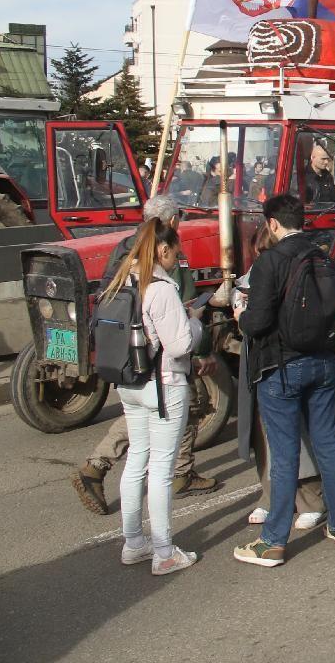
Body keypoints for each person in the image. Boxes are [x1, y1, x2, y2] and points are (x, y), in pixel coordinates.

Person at [71, 196, 220, 515]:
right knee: (182, 405)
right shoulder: (164, 256)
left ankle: (108, 472)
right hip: (159, 356)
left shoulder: (125, 247)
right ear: (172, 223)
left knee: (145, 415)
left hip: (125, 350)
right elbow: (186, 307)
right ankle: (173, 476)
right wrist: (203, 346)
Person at [234, 195, 335, 567]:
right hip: (322, 363)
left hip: (281, 368)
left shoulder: (269, 262)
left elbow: (256, 323)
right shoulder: (325, 258)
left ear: (272, 224)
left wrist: (240, 314)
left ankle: (272, 542)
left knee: (284, 455)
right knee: (330, 447)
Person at [107, 218, 204, 575]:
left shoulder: (123, 280)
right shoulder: (160, 288)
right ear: (162, 250)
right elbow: (180, 345)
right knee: (161, 470)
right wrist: (194, 321)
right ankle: (164, 552)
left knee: (136, 460)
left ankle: (133, 542)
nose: (176, 261)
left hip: (129, 383)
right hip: (163, 386)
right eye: (175, 255)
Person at [235, 223, 329, 531]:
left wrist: (244, 317)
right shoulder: (256, 274)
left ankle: (311, 498)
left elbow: (260, 319)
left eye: (265, 252)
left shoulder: (293, 270)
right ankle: (273, 495)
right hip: (260, 360)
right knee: (264, 434)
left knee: (295, 433)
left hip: (285, 360)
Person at [304, 142, 335, 206]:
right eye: (323, 159)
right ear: (312, 158)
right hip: (312, 214)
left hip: (332, 213)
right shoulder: (302, 176)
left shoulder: (328, 176)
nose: (326, 162)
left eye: (327, 159)